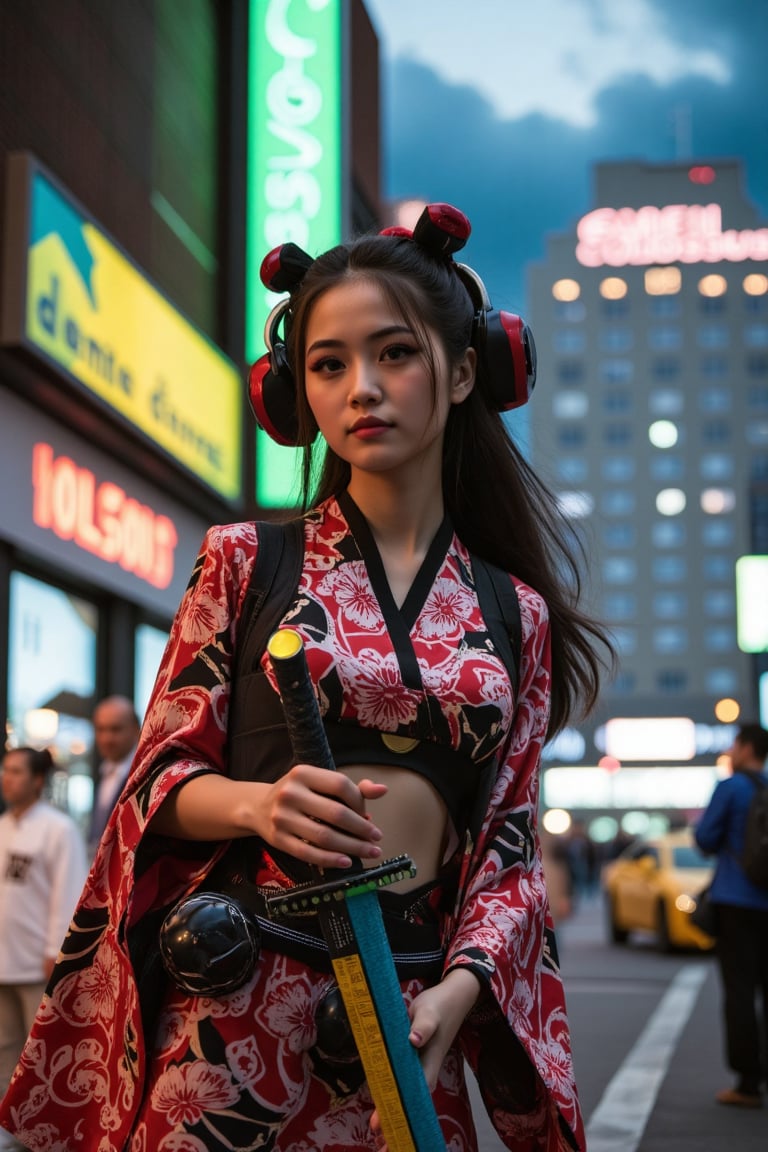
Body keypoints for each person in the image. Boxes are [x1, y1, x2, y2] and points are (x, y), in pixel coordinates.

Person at [0, 203, 613, 1151]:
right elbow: (156, 783)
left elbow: (509, 848)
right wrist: (255, 807)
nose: (362, 388)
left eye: (394, 354)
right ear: (297, 393)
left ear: (463, 371)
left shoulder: (516, 614)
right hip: (232, 1004)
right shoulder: (245, 562)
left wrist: (459, 990)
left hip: (407, 1017)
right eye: (329, 364)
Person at [0, 747, 88, 1099]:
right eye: (5, 770)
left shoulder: (59, 829)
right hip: (4, 957)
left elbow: (67, 893)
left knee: (39, 1052)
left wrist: (56, 949)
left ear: (38, 780)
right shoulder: (3, 827)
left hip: (38, 960)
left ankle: (37, 1130)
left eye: (17, 771)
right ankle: (6, 1128)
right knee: (4, 1045)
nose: (7, 778)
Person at [695, 722, 768, 1110]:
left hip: (736, 902)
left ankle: (748, 1083)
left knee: (740, 993)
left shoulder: (732, 787)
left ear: (744, 747)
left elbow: (705, 839)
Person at [87, 695, 140, 856]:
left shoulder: (143, 773)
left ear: (136, 729)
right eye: (101, 729)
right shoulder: (105, 771)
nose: (107, 738)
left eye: (116, 729)